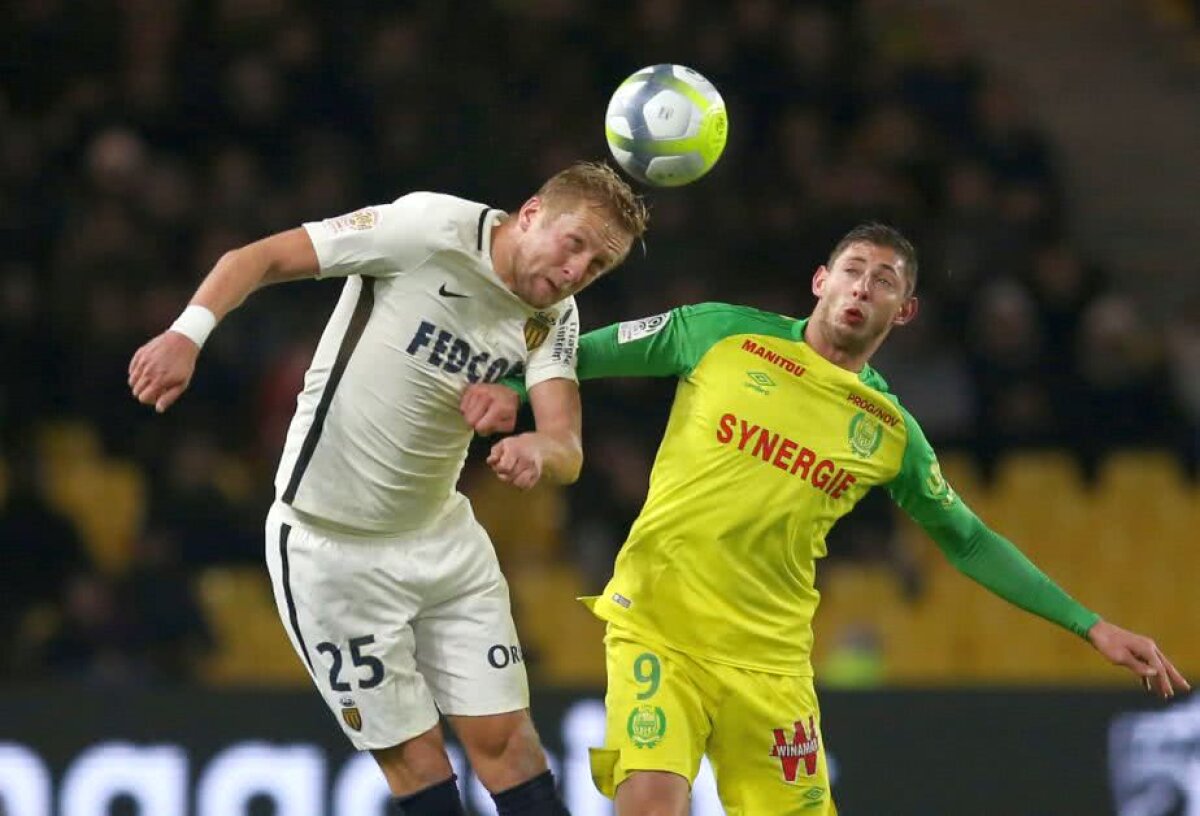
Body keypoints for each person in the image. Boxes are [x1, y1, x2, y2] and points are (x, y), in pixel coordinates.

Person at [460, 223, 1190, 815]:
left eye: (884, 281)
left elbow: (968, 541)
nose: (863, 287)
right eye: (852, 270)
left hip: (772, 664)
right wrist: (511, 393)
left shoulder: (891, 431)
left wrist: (1090, 625)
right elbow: (578, 355)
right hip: (657, 627)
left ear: (903, 312)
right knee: (650, 805)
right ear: (821, 280)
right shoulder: (718, 334)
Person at [128, 161, 648, 815]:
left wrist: (538, 448)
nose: (576, 271)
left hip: (442, 542)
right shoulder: (425, 229)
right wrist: (187, 334)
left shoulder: (553, 317)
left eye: (598, 265)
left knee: (509, 745)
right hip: (329, 550)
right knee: (416, 763)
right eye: (574, 245)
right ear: (532, 213)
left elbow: (567, 447)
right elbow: (257, 258)